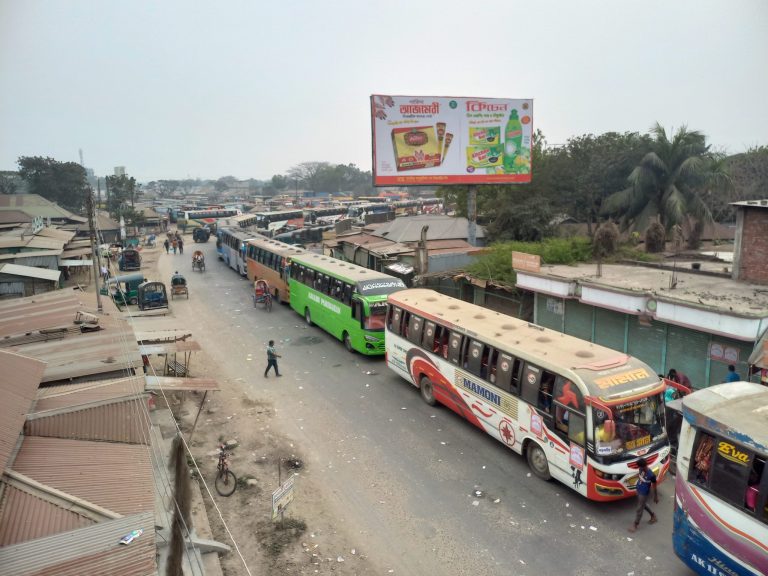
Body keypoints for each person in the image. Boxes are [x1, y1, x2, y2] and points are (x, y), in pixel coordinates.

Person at [628, 457, 658, 532]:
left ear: (643, 466)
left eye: (639, 467)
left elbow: (654, 485)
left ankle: (635, 525)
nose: (639, 468)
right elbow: (639, 475)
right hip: (638, 489)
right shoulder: (641, 469)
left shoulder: (651, 475)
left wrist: (655, 496)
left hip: (644, 493)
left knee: (639, 508)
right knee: (643, 505)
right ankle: (653, 516)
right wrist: (631, 478)